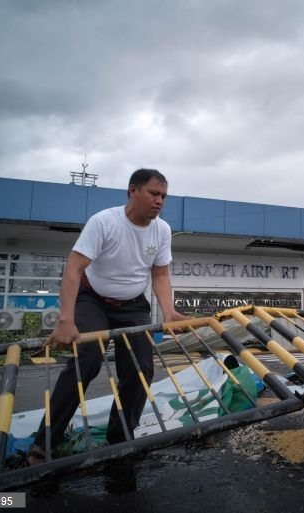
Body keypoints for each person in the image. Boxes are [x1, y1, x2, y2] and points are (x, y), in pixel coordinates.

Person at [27, 168, 188, 464]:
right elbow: (74, 268)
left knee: (141, 368)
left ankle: (120, 438)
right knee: (85, 360)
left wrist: (168, 311)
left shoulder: (162, 230)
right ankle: (45, 441)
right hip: (93, 299)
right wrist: (66, 319)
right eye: (154, 194)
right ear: (133, 191)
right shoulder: (104, 221)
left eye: (164, 196)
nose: (159, 201)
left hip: (133, 304)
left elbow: (160, 273)